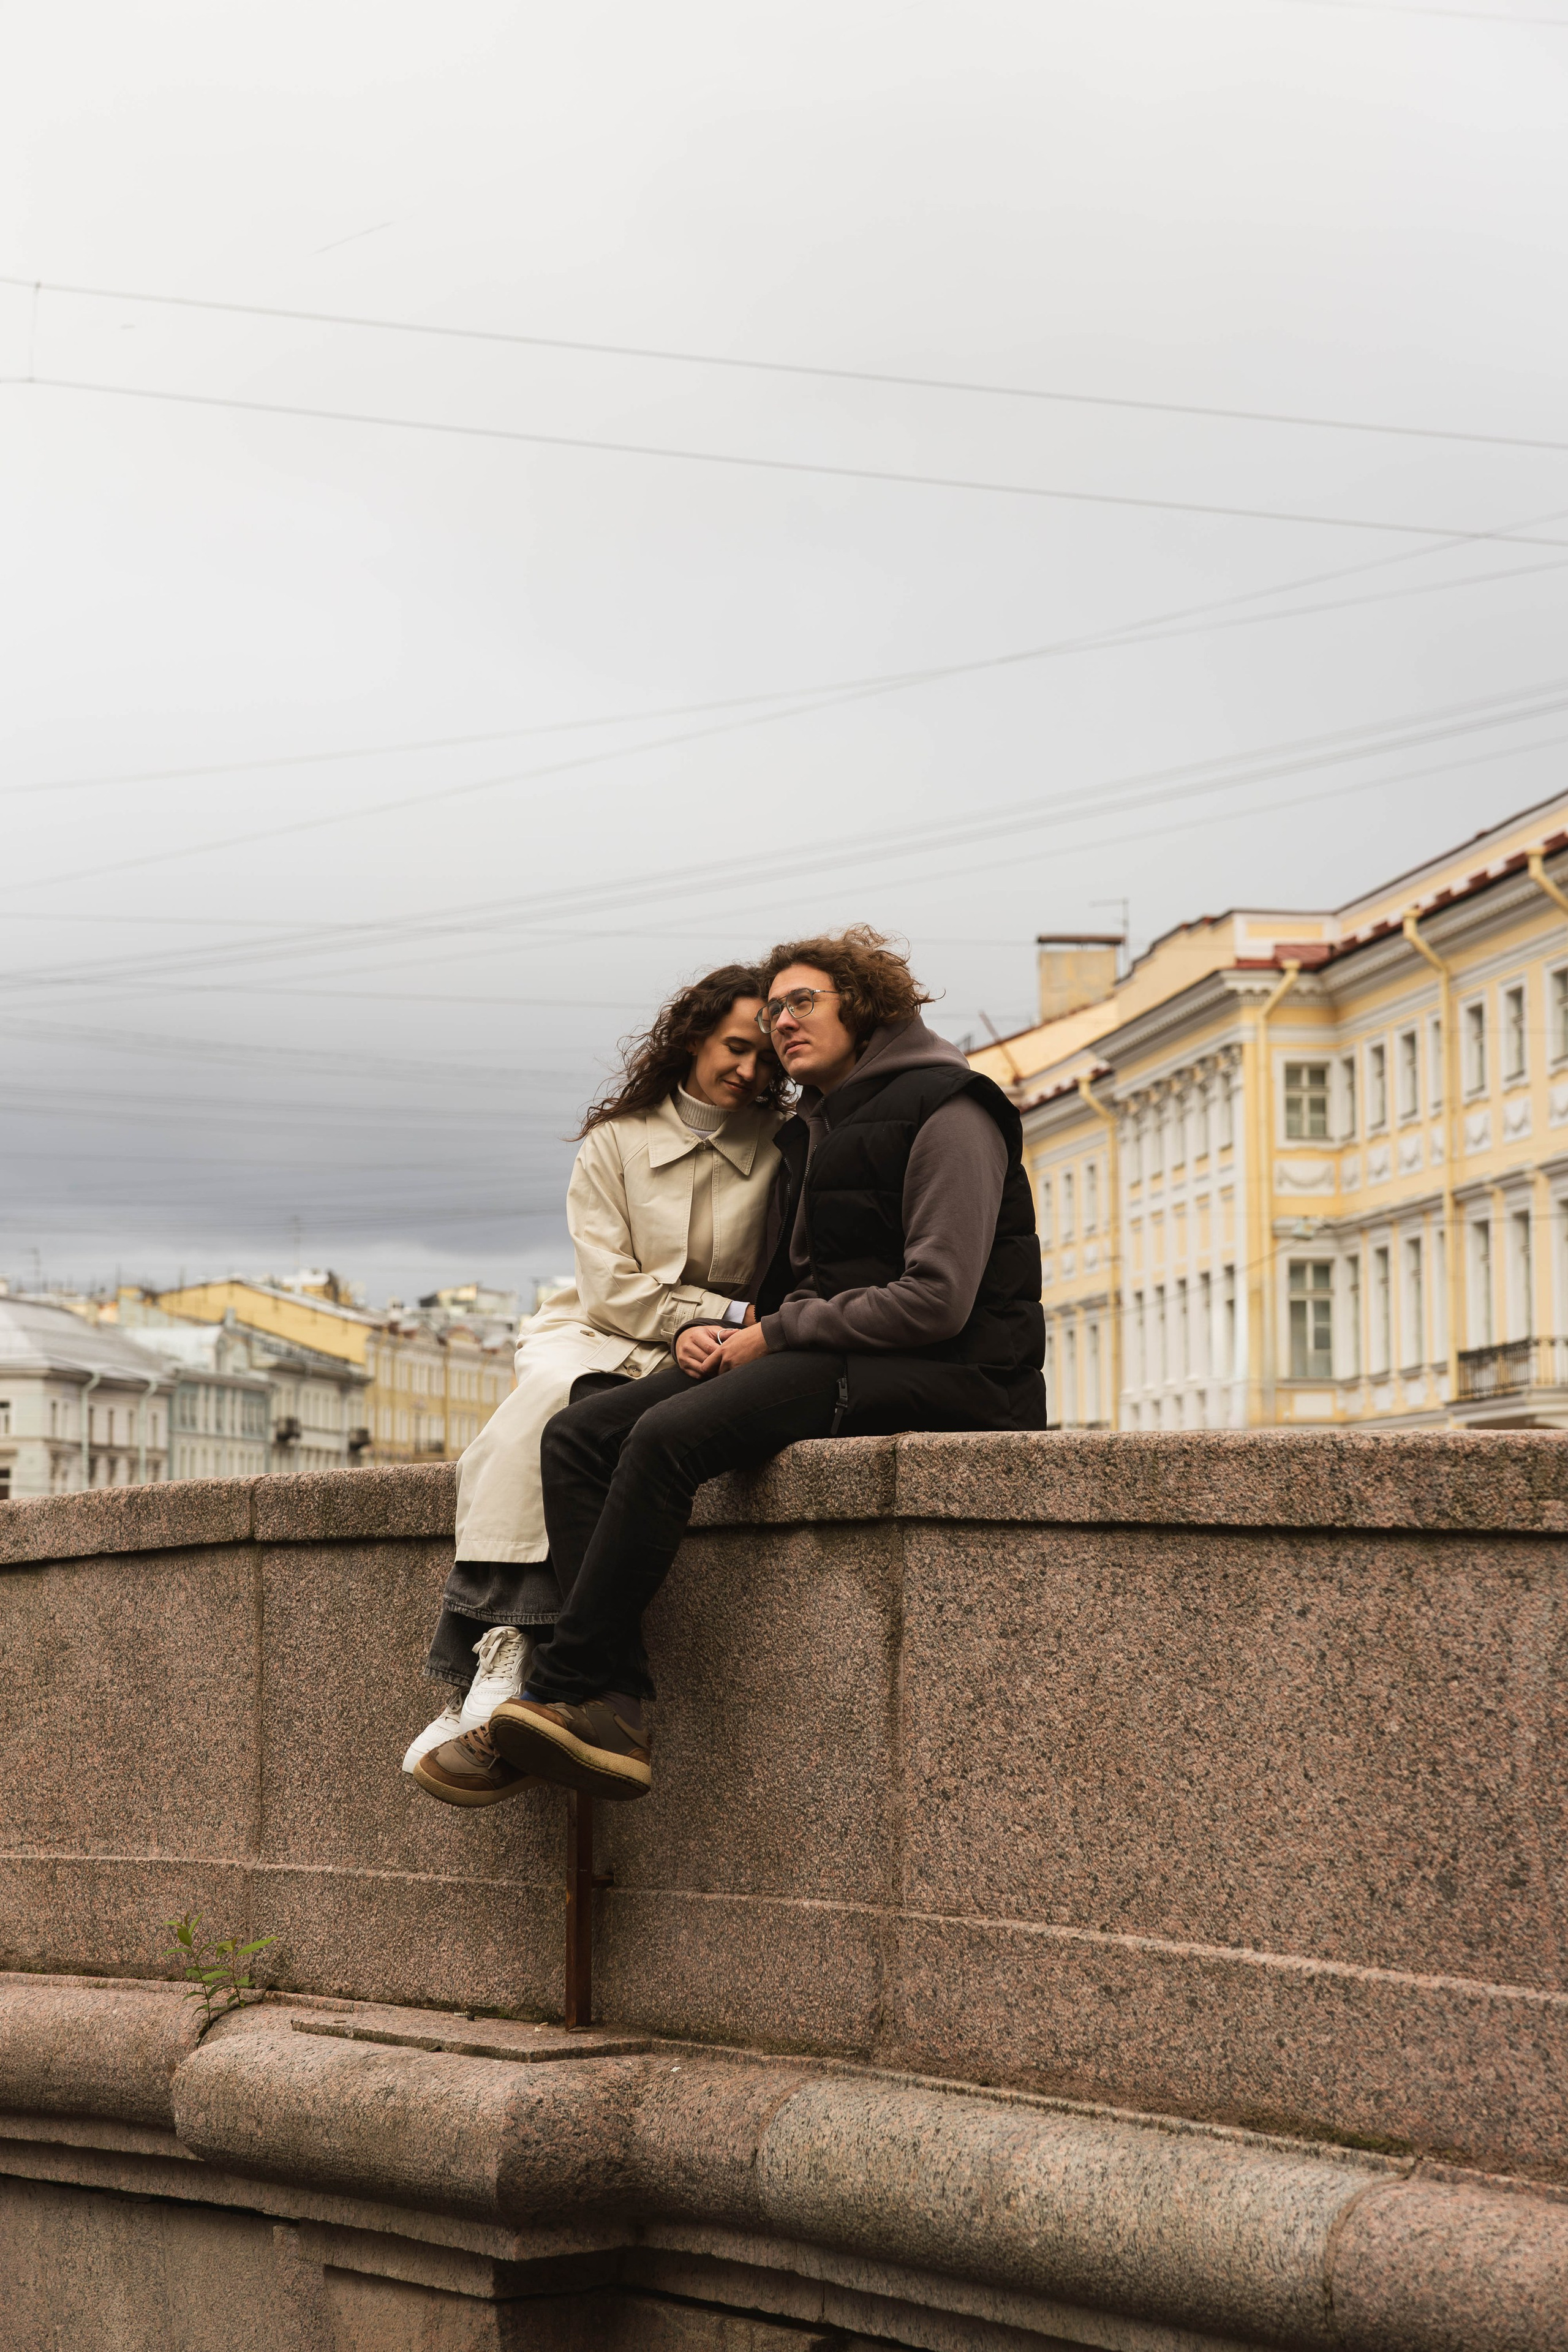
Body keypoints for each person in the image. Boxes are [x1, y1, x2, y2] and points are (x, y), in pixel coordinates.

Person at [475, 925, 1046, 1806]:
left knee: (665, 1440)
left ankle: (562, 1687)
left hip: (951, 1373)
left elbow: (938, 1300)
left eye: (802, 1001)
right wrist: (704, 1333)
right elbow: (790, 1284)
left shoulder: (953, 1107)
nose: (781, 1021)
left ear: (865, 1005)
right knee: (583, 1434)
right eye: (771, 1007)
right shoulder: (815, 1128)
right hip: (832, 1346)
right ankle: (613, 1704)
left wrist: (777, 1335)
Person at [407, 963, 786, 1805]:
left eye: (765, 1058)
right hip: (600, 1326)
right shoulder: (615, 1141)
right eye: (734, 1047)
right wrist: (706, 1314)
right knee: (537, 1410)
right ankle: (494, 1654)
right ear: (693, 1036)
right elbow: (610, 1285)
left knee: (589, 1436)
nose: (750, 1071)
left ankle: (540, 1679)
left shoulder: (785, 1142)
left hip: (720, 1347)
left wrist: (725, 1329)